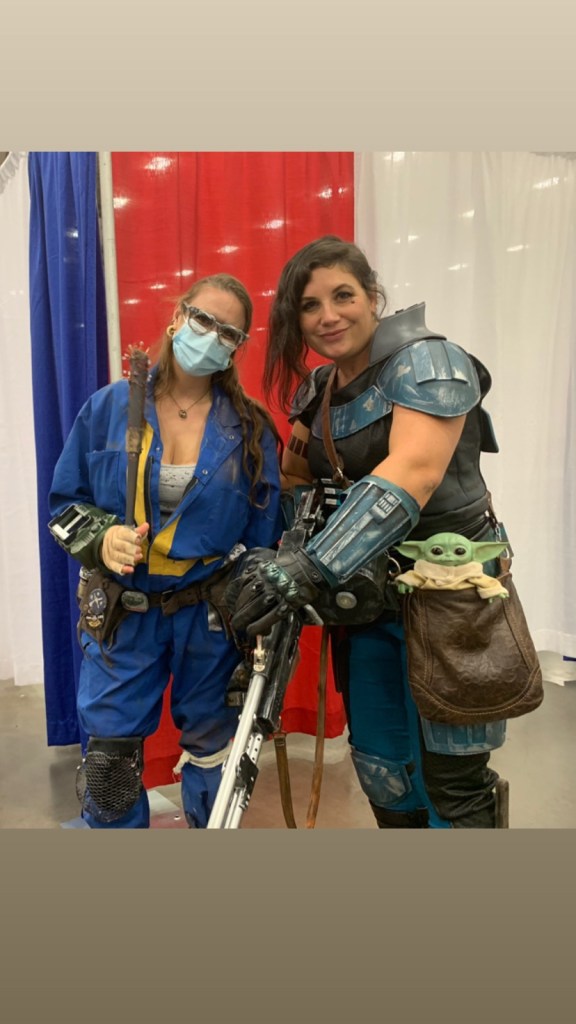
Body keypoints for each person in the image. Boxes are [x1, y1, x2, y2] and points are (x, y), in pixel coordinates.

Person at [230, 236, 508, 829]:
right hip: (362, 599)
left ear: (372, 295)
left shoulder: (430, 363)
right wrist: (281, 558)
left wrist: (308, 567)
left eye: (343, 296)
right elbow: (296, 480)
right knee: (384, 769)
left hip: (449, 597)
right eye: (310, 305)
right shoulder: (319, 392)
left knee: (453, 785)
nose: (328, 316)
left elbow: (414, 471)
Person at [48, 273, 283, 828]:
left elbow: (263, 536)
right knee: (110, 764)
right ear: (178, 317)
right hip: (123, 611)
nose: (212, 336)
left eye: (228, 332)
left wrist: (256, 611)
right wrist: (101, 538)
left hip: (210, 616)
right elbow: (64, 507)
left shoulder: (250, 428)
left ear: (237, 347)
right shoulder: (109, 409)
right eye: (203, 319)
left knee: (215, 751)